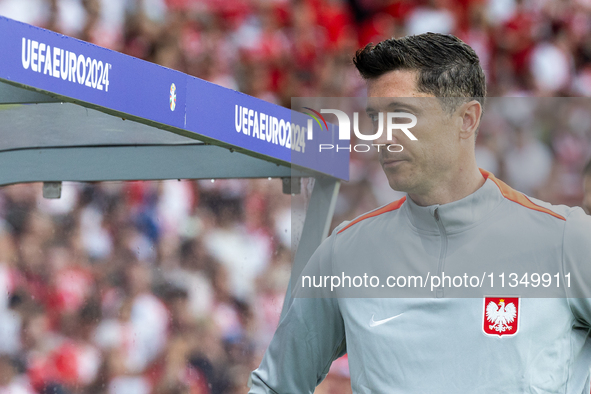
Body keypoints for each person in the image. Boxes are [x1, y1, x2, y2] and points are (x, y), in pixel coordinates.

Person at [248, 33, 591, 393]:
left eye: (401, 116)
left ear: (467, 120)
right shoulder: (346, 254)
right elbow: (274, 386)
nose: (381, 136)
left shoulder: (566, 241)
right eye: (374, 119)